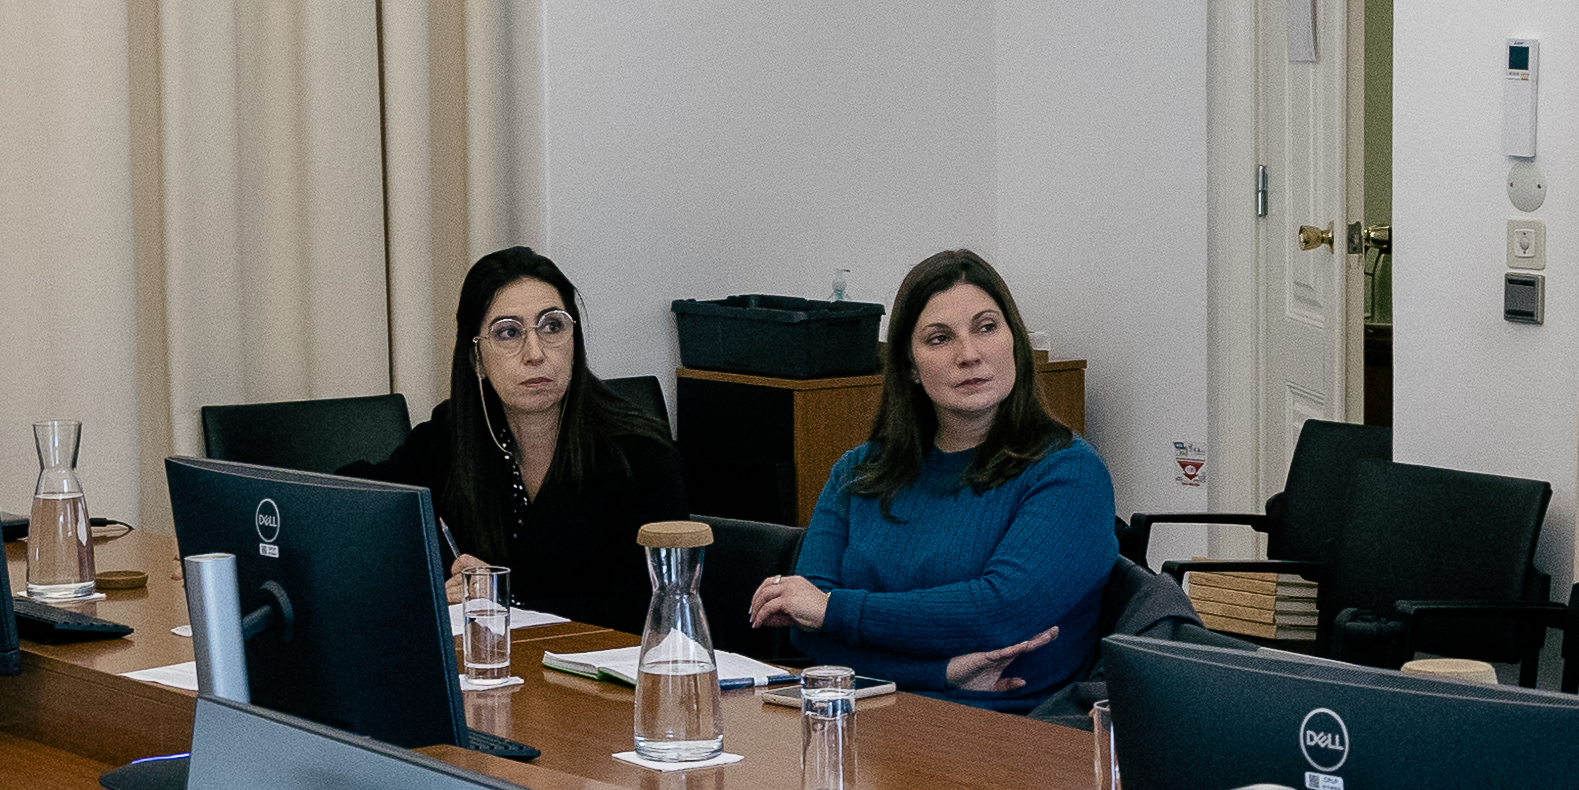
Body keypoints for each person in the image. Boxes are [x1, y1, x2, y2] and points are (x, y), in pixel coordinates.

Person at [746, 252, 1117, 705]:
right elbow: (809, 637)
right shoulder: (857, 472)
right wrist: (940, 671)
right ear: (908, 367)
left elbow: (999, 612)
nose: (970, 354)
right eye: (940, 338)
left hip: (1010, 735)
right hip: (871, 718)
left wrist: (833, 610)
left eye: (986, 327)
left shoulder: (1069, 472)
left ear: (1015, 342)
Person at [375, 247, 687, 630]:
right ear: (477, 359)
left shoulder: (639, 455)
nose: (535, 353)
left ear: (574, 340)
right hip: (490, 675)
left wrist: (504, 600)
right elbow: (362, 504)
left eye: (552, 327)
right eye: (508, 332)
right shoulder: (450, 438)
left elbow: (650, 609)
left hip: (599, 680)